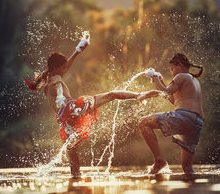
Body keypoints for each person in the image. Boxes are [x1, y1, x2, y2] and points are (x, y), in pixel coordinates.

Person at [25, 39, 140, 176]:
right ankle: (139, 95)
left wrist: (78, 51)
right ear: (55, 68)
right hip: (72, 109)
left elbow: (66, 67)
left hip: (64, 119)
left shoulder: (47, 76)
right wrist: (61, 96)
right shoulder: (55, 78)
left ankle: (75, 180)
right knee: (111, 95)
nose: (65, 70)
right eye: (62, 68)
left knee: (73, 155)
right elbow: (58, 84)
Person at [137, 53, 204, 176]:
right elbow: (172, 99)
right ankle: (193, 191)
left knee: (143, 122)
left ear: (180, 65)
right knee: (187, 167)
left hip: (185, 117)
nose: (172, 73)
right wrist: (157, 80)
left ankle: (159, 160)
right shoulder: (193, 80)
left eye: (172, 69)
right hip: (197, 122)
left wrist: (154, 77)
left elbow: (165, 92)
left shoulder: (181, 76)